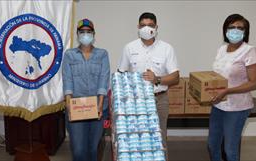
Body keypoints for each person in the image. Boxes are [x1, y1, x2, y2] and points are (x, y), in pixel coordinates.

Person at [118, 12, 179, 159]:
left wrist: (157, 79)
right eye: (143, 25)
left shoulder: (166, 48)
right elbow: (121, 74)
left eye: (150, 25)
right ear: (138, 27)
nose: (147, 28)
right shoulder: (129, 48)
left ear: (157, 27)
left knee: (159, 140)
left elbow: (175, 77)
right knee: (136, 141)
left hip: (159, 99)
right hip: (135, 102)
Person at [209, 14, 256, 161]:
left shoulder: (250, 50)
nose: (235, 30)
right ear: (225, 30)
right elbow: (217, 76)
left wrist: (228, 90)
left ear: (246, 32)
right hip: (218, 104)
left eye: (240, 28)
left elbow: (254, 83)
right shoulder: (222, 49)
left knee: (230, 150)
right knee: (212, 145)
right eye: (232, 27)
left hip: (237, 108)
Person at [62, 18, 110, 161]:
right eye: (82, 32)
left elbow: (104, 77)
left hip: (98, 107)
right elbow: (67, 80)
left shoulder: (102, 54)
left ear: (94, 34)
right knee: (78, 149)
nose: (85, 34)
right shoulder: (70, 55)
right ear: (77, 34)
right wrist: (69, 104)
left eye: (88, 32)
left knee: (92, 148)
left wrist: (100, 104)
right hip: (77, 108)